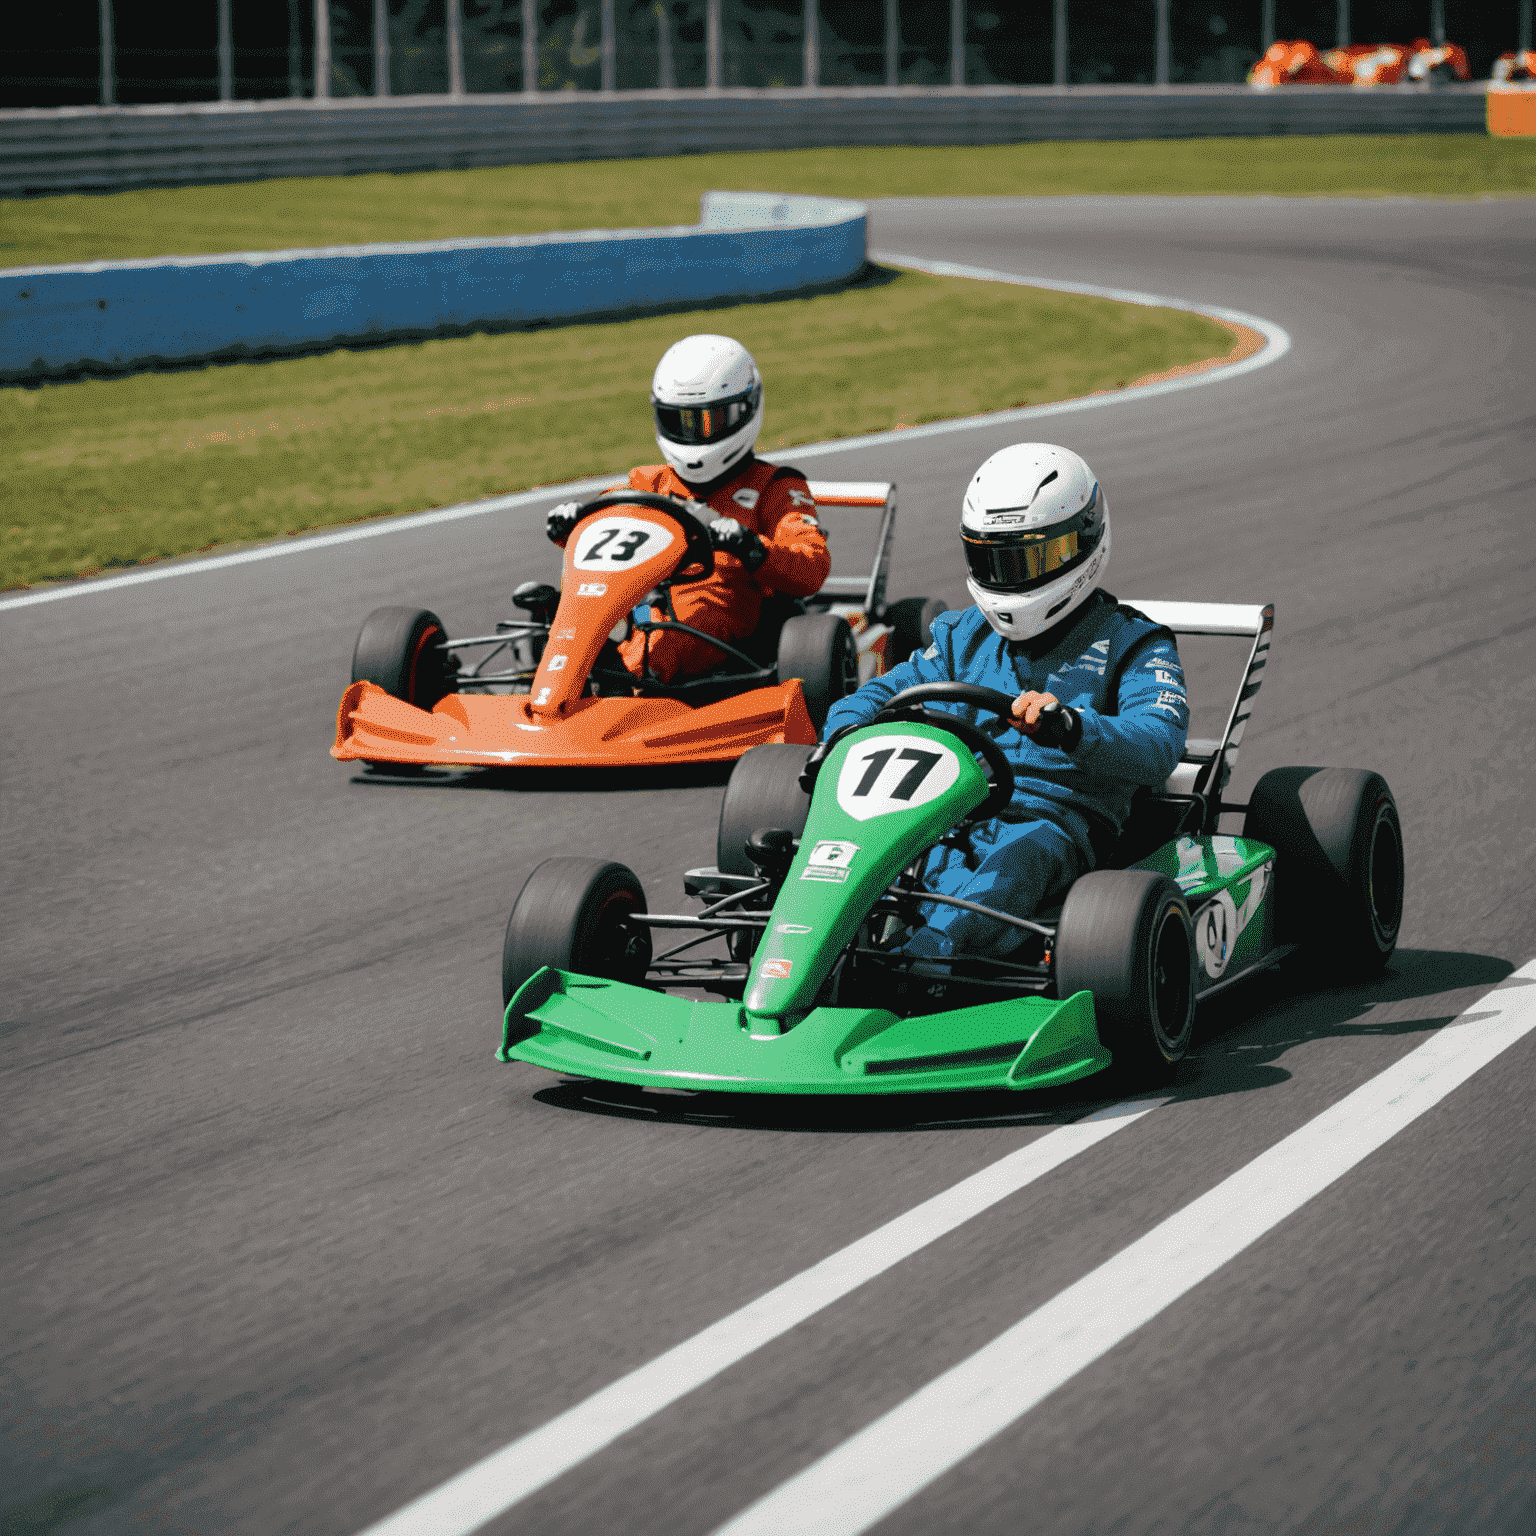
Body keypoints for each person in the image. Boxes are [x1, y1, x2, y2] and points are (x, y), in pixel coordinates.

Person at [821, 441, 1190, 958]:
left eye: (1028, 558)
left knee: (1016, 861)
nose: (1008, 579)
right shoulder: (960, 636)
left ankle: (926, 964)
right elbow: (883, 691)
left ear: (1080, 544)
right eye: (992, 560)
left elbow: (1158, 741)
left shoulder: (1132, 643)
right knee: (887, 852)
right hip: (952, 808)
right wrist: (844, 731)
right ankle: (817, 948)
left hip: (1059, 821)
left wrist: (1073, 728)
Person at [544, 334, 830, 683]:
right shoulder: (645, 484)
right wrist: (572, 526)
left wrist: (750, 546)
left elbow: (811, 568)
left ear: (746, 409)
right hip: (648, 607)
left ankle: (619, 687)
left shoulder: (776, 487)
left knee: (666, 641)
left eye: (712, 420)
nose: (694, 437)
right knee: (558, 615)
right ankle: (568, 685)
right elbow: (606, 538)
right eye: (681, 421)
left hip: (731, 623)